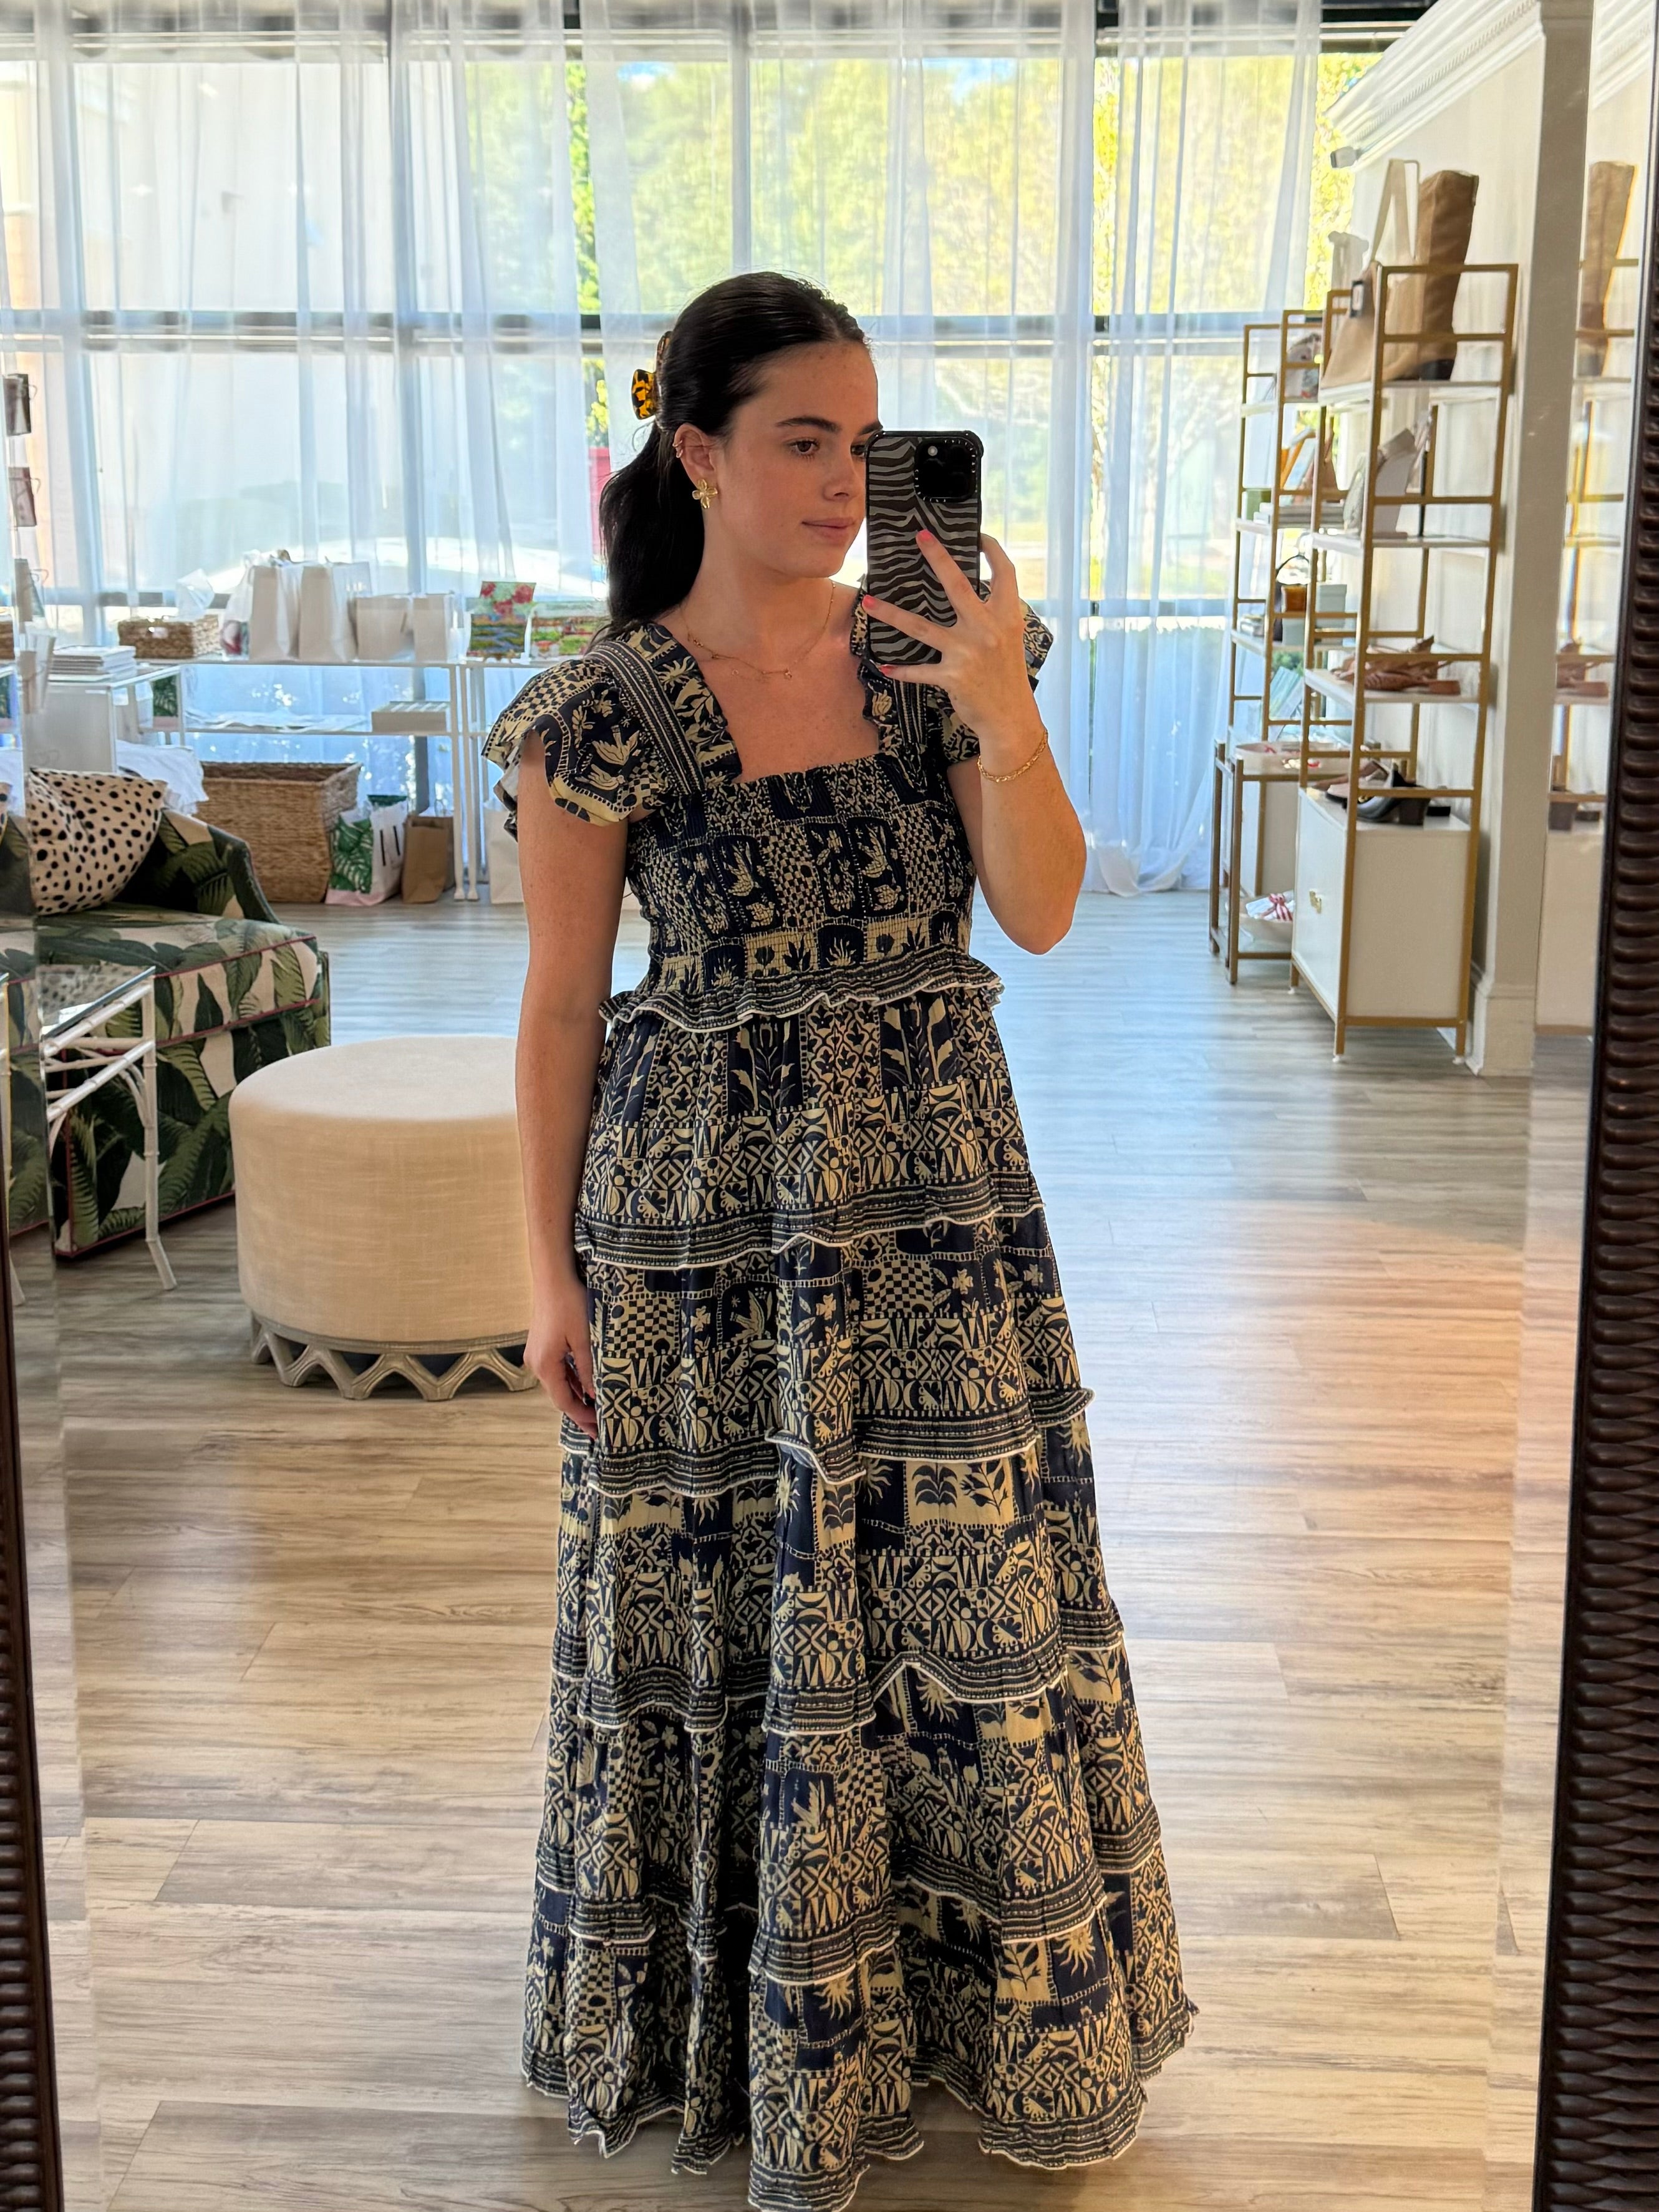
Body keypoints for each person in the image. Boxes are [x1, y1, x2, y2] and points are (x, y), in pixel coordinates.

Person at [483, 270, 1194, 2212]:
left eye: (867, 443)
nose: (841, 480)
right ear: (696, 455)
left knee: (970, 1604)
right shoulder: (593, 716)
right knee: (723, 1615)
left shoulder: (928, 661)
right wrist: (542, 1274)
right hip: (700, 1236)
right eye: (802, 439)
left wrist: (1004, 704)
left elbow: (1041, 909)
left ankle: (978, 2014)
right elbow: (557, 1011)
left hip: (943, 1224)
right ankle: (734, 2031)